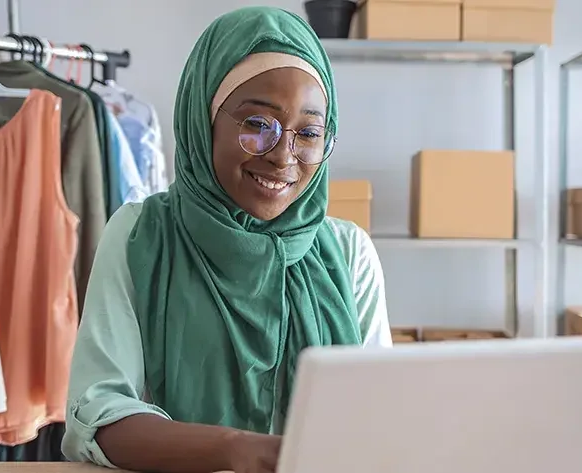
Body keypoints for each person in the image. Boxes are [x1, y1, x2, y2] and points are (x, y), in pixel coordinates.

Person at [61, 6, 392, 473]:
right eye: (258, 125)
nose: (283, 157)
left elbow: (378, 416)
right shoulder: (142, 235)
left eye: (309, 133)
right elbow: (98, 416)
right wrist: (234, 449)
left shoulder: (347, 253)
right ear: (205, 120)